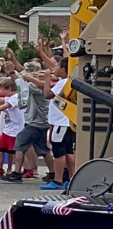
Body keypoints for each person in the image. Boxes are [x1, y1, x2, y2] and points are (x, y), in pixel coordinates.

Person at [41, 57, 74, 191]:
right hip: (67, 122)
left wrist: (47, 78)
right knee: (68, 151)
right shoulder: (67, 82)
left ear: (63, 69)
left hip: (60, 122)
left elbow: (47, 94)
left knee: (58, 151)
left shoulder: (64, 82)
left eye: (58, 66)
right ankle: (71, 178)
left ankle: (58, 180)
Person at [0, 76, 23, 176]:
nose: (2, 91)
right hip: (7, 129)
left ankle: (11, 169)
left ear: (10, 89)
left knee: (12, 152)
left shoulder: (15, 98)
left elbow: (5, 106)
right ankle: (1, 169)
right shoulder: (9, 97)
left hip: (15, 130)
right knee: (1, 149)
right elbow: (3, 100)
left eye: (3, 89)